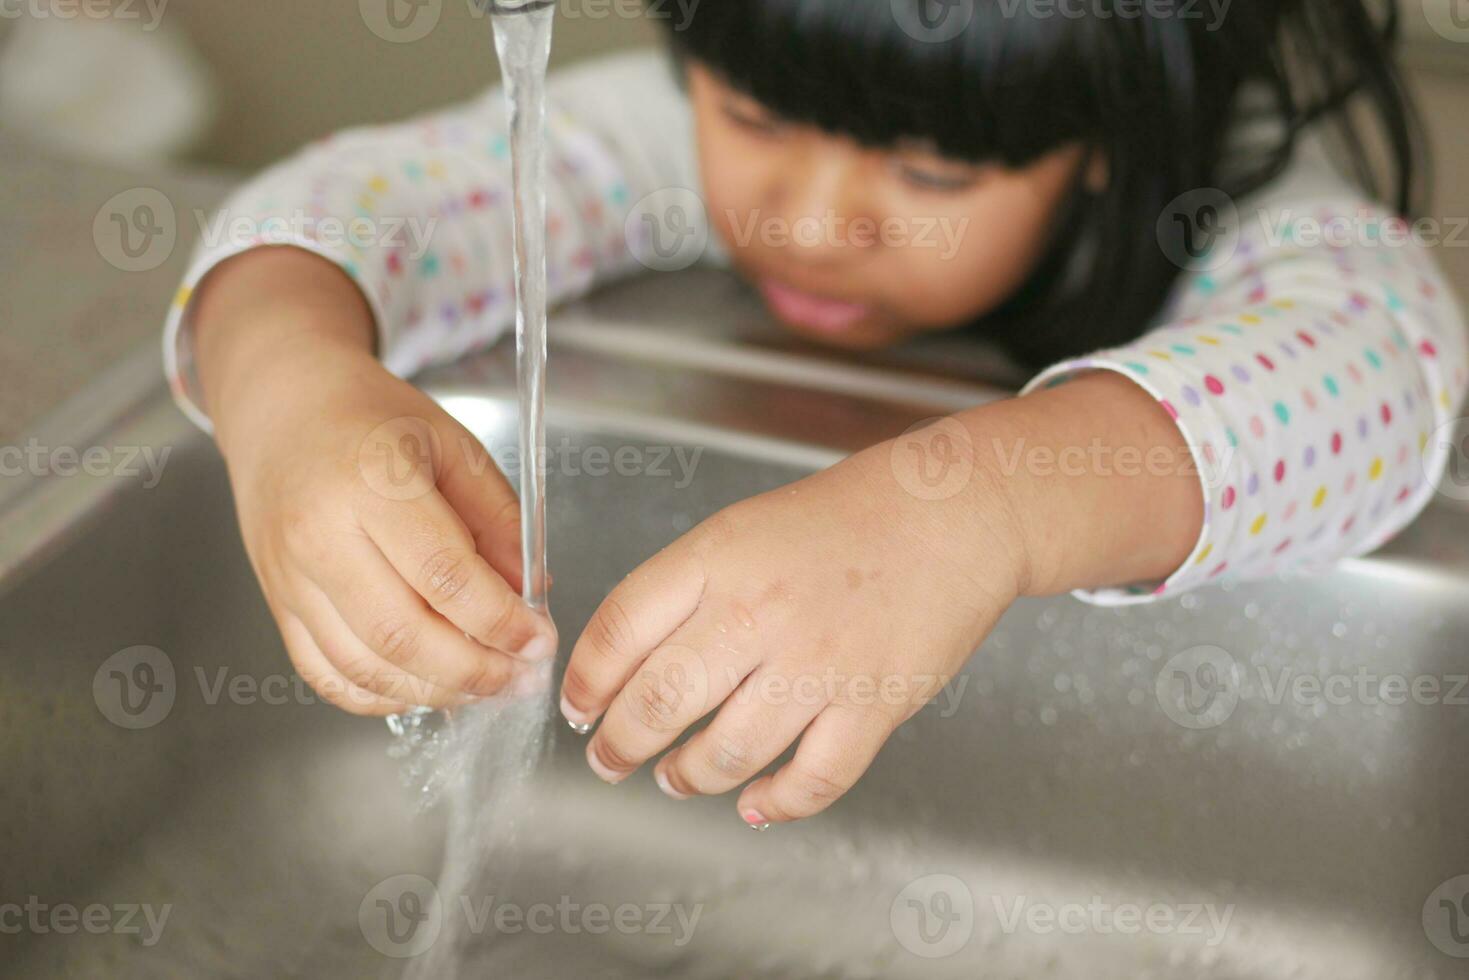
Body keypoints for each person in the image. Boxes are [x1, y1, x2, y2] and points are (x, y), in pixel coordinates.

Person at [162, 0, 1467, 829]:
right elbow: (367, 200)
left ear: (1110, 142)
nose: (811, 217)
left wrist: (969, 511)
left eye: (930, 172)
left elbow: (1381, 370)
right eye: (750, 116)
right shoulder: (729, 105)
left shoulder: (1222, 186)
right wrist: (283, 373)